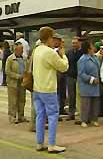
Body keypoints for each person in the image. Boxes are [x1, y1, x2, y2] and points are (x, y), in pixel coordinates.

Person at [33, 26, 69, 154]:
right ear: (49, 38)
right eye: (53, 37)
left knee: (40, 115)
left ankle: (39, 142)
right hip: (48, 89)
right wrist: (63, 55)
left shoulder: (36, 50)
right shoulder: (49, 52)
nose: (54, 40)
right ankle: (52, 144)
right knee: (53, 115)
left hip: (37, 88)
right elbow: (63, 67)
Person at [77, 41, 101, 128]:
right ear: (88, 49)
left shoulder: (95, 57)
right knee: (86, 104)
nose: (94, 48)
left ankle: (94, 119)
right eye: (92, 47)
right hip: (86, 85)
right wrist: (91, 79)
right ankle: (84, 120)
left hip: (96, 85)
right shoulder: (82, 59)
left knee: (95, 103)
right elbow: (81, 73)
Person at [6, 42, 28, 124]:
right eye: (20, 49)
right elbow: (7, 71)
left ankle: (21, 116)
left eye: (22, 49)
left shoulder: (24, 58)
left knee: (22, 100)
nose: (22, 51)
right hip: (13, 83)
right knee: (13, 100)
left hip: (22, 82)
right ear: (15, 50)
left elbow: (27, 68)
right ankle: (12, 116)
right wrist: (17, 76)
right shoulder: (10, 59)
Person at [65, 37, 83, 121]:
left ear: (79, 43)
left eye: (75, 43)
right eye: (73, 43)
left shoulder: (82, 52)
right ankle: (71, 113)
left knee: (79, 96)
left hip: (79, 77)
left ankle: (80, 114)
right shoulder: (69, 52)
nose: (74, 45)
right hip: (70, 76)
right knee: (71, 96)